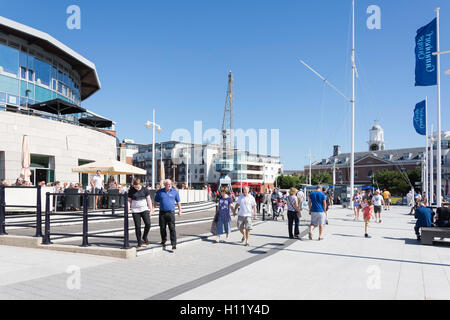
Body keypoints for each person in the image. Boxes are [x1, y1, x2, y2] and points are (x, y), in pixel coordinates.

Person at [154, 179, 182, 251]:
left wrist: (180, 210)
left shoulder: (175, 191)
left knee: (172, 228)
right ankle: (164, 240)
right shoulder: (160, 191)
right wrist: (152, 209)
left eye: (170, 184)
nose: (169, 185)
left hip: (171, 213)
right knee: (162, 228)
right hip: (162, 213)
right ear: (164, 185)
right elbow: (156, 201)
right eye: (168, 184)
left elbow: (178, 201)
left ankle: (173, 244)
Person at [128, 178, 154, 248]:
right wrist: (128, 208)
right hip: (135, 210)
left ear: (140, 184)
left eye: (138, 187)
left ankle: (144, 237)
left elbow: (149, 200)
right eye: (135, 187)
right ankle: (139, 242)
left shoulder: (145, 190)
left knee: (148, 224)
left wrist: (151, 210)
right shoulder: (131, 190)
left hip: (144, 209)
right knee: (137, 226)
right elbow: (129, 200)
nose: (137, 188)